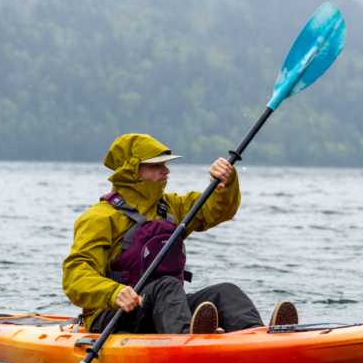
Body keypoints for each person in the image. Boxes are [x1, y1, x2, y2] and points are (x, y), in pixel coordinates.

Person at [62, 133, 298, 334]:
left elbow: (215, 209)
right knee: (166, 285)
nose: (166, 170)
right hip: (112, 315)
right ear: (131, 171)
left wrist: (225, 181)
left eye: (165, 164)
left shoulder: (170, 207)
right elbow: (75, 276)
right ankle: (188, 339)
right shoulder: (99, 217)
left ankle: (255, 336)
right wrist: (113, 292)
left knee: (226, 292)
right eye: (156, 165)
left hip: (167, 310)